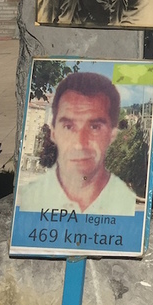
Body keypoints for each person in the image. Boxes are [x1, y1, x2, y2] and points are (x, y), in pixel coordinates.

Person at [18, 71, 137, 215]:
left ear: (112, 135)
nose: (80, 144)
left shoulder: (127, 204)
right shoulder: (30, 200)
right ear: (53, 133)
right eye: (68, 127)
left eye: (94, 127)